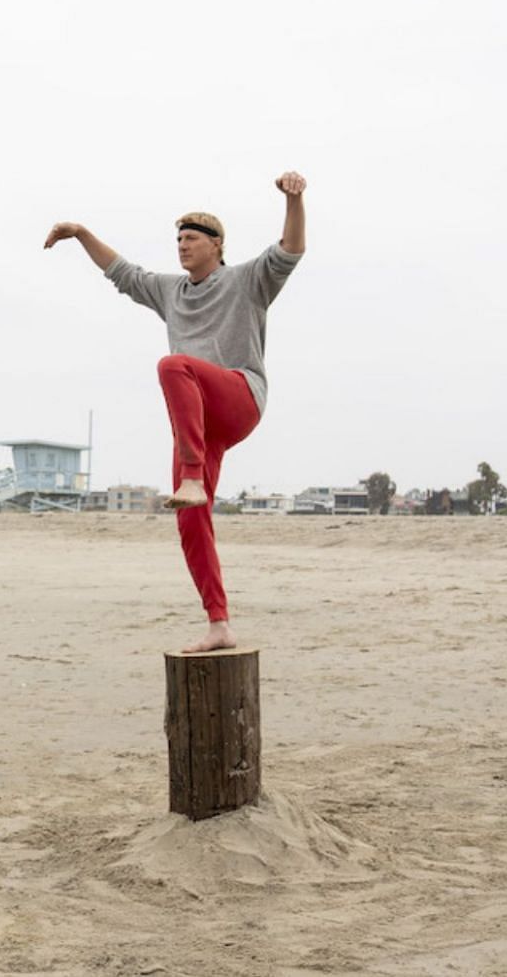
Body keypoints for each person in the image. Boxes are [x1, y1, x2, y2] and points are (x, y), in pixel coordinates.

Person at [44, 172, 307, 653]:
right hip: (198, 427)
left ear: (217, 245)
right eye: (178, 239)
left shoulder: (246, 280)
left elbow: (291, 249)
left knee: (173, 365)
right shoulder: (171, 292)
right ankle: (218, 623)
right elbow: (123, 273)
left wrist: (295, 199)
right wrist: (81, 234)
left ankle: (190, 479)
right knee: (190, 520)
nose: (182, 246)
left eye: (191, 239)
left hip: (239, 397)